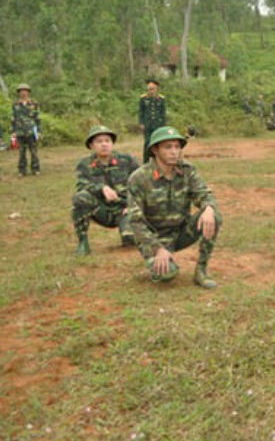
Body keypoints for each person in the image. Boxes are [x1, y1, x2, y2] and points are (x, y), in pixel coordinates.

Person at [127, 126, 221, 289]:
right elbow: (135, 221)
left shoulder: (186, 170)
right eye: (168, 147)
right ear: (155, 150)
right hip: (155, 236)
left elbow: (204, 194)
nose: (174, 152)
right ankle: (159, 261)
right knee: (167, 275)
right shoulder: (139, 178)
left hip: (181, 231)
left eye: (177, 147)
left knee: (214, 216)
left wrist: (208, 208)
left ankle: (201, 271)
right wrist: (157, 248)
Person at [72, 125, 140, 255]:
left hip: (125, 211)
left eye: (107, 141)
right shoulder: (84, 164)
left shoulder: (127, 160)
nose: (104, 144)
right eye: (99, 141)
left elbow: (143, 183)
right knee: (80, 197)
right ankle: (83, 242)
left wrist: (134, 204)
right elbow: (81, 185)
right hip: (102, 210)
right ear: (91, 145)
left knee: (130, 241)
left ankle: (131, 232)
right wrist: (101, 188)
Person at [11, 83, 42, 176]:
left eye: (25, 91)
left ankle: (35, 169)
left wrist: (39, 132)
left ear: (28, 92)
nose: (23, 93)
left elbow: (38, 118)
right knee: (21, 152)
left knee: (34, 152)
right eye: (21, 91)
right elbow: (13, 118)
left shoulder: (34, 103)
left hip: (32, 131)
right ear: (19, 93)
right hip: (20, 132)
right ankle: (22, 170)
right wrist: (13, 132)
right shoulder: (15, 104)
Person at [138, 78, 167, 163]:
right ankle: (145, 161)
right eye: (149, 89)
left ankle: (158, 161)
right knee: (147, 142)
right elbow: (141, 111)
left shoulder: (161, 99)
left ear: (156, 89)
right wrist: (141, 123)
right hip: (148, 124)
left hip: (158, 124)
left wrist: (163, 125)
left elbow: (163, 113)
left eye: (152, 89)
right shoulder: (143, 99)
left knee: (158, 143)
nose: (151, 91)